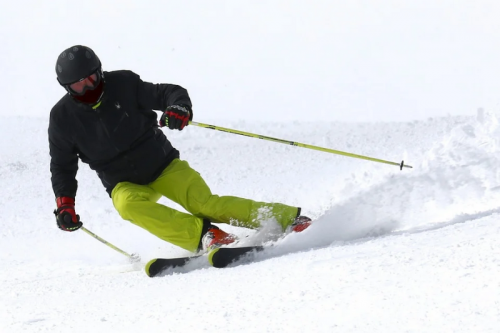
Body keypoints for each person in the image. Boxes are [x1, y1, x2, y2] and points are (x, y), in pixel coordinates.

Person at [49, 45, 312, 254]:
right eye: (78, 84)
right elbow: (62, 165)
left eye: (91, 78)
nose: (88, 87)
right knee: (127, 206)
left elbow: (169, 93)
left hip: (162, 165)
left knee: (205, 204)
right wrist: (65, 205)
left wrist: (178, 107)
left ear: (100, 71)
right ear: (67, 87)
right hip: (122, 181)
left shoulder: (123, 84)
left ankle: (286, 219)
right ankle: (206, 235)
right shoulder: (62, 118)